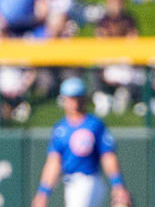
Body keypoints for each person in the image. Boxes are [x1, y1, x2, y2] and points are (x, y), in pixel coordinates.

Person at [31, 77, 131, 207]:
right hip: (69, 184)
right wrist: (43, 192)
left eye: (78, 97)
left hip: (89, 180)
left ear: (84, 98)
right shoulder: (60, 128)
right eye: (71, 98)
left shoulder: (94, 124)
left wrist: (118, 184)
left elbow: (107, 156)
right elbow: (54, 161)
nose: (74, 102)